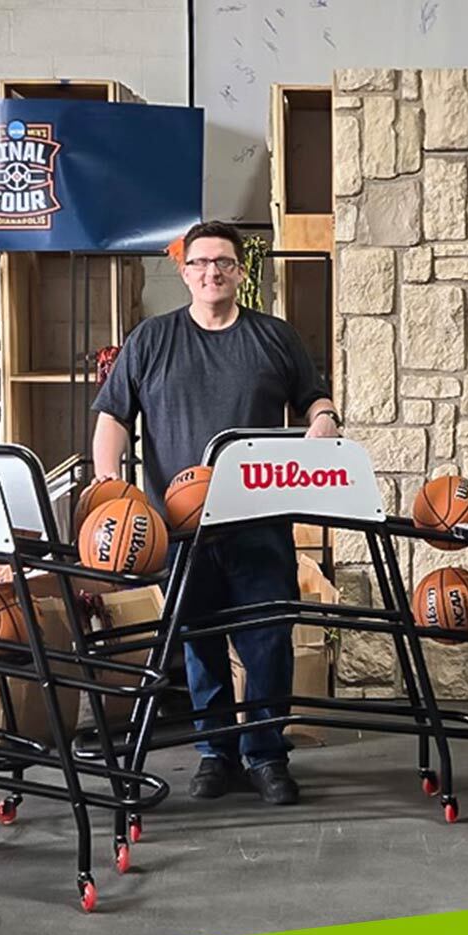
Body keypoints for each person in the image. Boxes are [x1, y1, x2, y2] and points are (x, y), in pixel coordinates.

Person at [91, 220, 341, 806]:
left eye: (223, 263)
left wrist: (324, 419)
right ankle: (215, 753)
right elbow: (112, 417)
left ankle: (265, 754)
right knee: (198, 641)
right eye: (200, 263)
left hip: (259, 521)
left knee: (267, 640)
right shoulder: (151, 340)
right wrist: (109, 484)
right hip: (180, 527)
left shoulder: (275, 337)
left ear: (239, 271)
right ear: (185, 272)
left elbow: (314, 396)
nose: (212, 272)